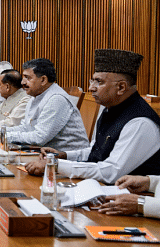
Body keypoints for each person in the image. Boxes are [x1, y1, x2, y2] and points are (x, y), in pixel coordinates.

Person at [25, 49, 160, 184]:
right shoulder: (110, 110)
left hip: (131, 199)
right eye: (92, 81)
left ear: (121, 87)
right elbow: (96, 151)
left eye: (98, 82)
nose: (91, 87)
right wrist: (64, 156)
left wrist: (55, 165)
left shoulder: (140, 122)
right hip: (101, 187)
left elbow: (111, 172)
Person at [0, 58, 88, 150]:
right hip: (44, 154)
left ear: (43, 80)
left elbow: (39, 138)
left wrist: (1, 135)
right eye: (23, 77)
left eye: (28, 78)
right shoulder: (35, 96)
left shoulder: (56, 99)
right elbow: (25, 128)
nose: (22, 82)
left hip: (66, 160)